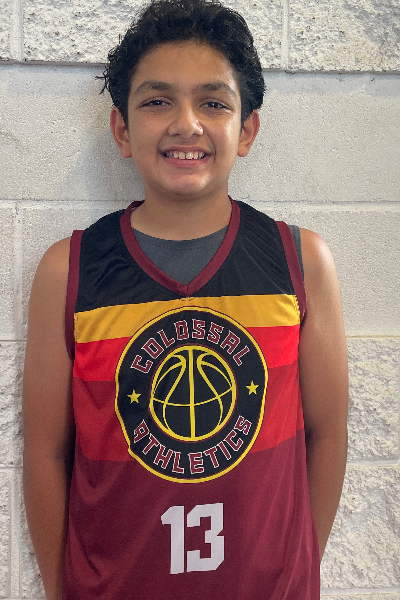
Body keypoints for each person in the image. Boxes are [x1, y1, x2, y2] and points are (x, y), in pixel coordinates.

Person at [22, 0, 348, 598]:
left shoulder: (301, 262)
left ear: (246, 130)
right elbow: (45, 453)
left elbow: (327, 434)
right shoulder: (68, 270)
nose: (186, 124)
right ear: (122, 129)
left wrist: (296, 569)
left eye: (214, 103)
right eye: (157, 101)